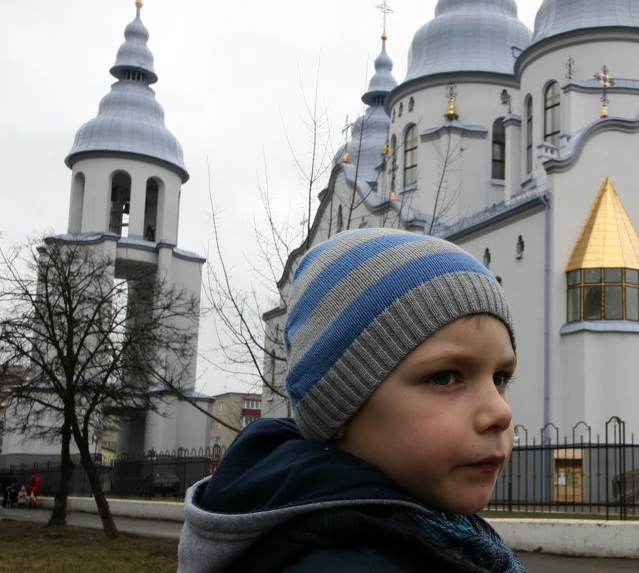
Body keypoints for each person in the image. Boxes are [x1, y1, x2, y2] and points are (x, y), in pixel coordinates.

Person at [179, 228, 525, 573]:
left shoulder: (445, 535)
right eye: (444, 377)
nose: (500, 411)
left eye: (500, 378)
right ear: (339, 407)